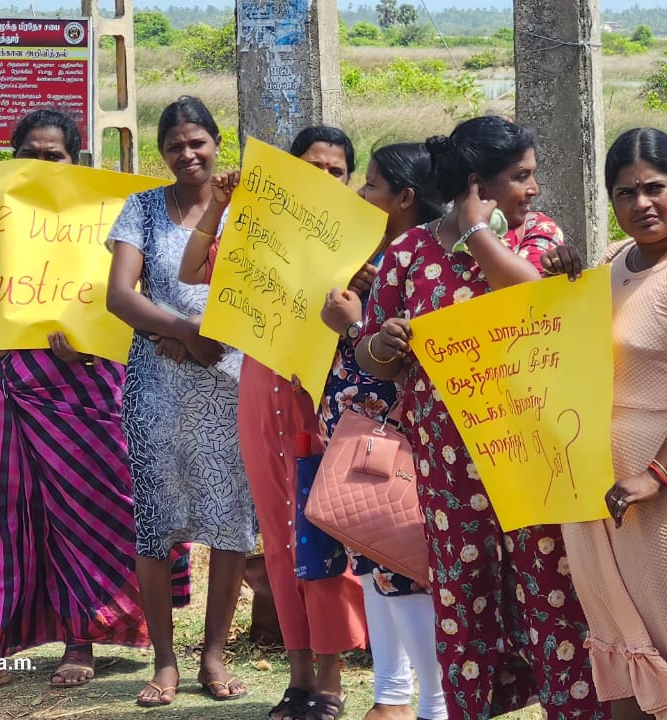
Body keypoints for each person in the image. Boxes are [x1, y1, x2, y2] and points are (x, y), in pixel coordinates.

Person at [356, 116, 609, 720]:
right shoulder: (409, 253)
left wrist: (475, 232)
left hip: (535, 465)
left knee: (554, 600)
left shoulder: (537, 237)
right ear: (478, 184)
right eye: (521, 177)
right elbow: (370, 356)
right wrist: (387, 343)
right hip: (449, 473)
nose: (533, 190)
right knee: (464, 604)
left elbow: (530, 298)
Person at [0, 108, 152, 704]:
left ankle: (82, 639)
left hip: (84, 386)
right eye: (29, 153)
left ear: (76, 160)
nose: (41, 163)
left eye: (52, 155)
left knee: (83, 513)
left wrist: (91, 340)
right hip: (2, 388)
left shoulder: (106, 214)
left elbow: (135, 294)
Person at [546, 128, 667, 720]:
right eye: (625, 192)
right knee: (627, 641)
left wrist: (655, 472)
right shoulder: (612, 261)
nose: (642, 204)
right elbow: (570, 350)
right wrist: (566, 288)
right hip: (600, 500)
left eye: (655, 188)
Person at [179, 125, 368, 720]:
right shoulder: (255, 228)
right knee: (281, 536)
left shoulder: (362, 240)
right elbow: (190, 271)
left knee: (324, 533)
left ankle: (332, 680)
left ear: (349, 179)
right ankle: (299, 677)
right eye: (310, 167)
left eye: (334, 171)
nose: (322, 179)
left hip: (328, 392)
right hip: (264, 390)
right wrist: (218, 205)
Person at [105, 96, 253, 707]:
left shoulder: (245, 209)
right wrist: (183, 333)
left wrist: (211, 344)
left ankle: (213, 655)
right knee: (155, 523)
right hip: (159, 381)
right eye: (174, 146)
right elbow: (120, 296)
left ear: (216, 143)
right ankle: (164, 661)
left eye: (197, 143)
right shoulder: (141, 208)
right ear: (161, 153)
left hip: (231, 380)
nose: (187, 154)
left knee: (230, 521)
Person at [319, 142, 448, 720]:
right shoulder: (379, 254)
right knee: (369, 553)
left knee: (400, 563)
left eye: (371, 185)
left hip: (387, 430)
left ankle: (435, 704)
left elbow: (402, 354)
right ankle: (391, 695)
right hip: (357, 425)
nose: (361, 194)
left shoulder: (419, 259)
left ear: (404, 198)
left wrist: (351, 326)